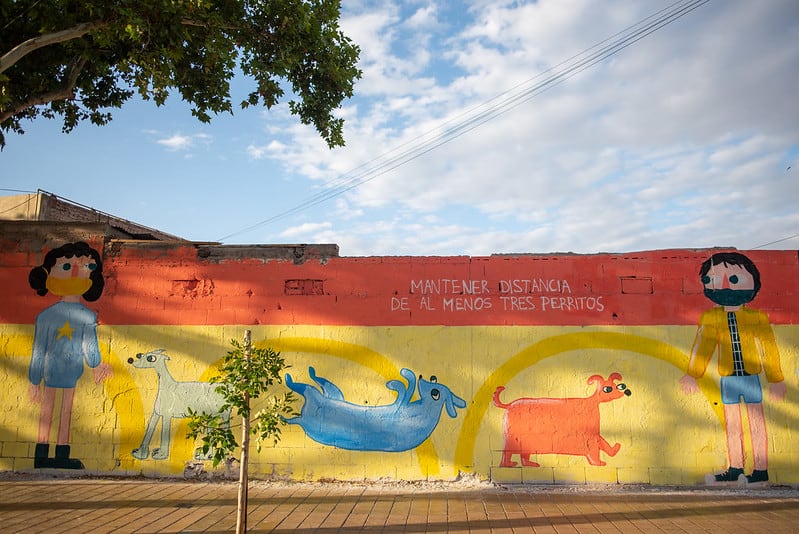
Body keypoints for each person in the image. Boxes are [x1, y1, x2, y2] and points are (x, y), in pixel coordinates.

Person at [680, 252, 785, 485]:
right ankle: (735, 468)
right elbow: (703, 346)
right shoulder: (710, 318)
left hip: (751, 377)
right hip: (728, 378)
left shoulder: (757, 318)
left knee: (756, 424)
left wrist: (776, 379)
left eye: (734, 279)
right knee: (733, 426)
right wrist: (693, 374)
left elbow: (769, 348)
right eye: (713, 281)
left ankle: (760, 471)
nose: (725, 286)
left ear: (753, 283)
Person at [28, 242, 112, 469]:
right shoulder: (46, 316)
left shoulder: (86, 316)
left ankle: (61, 452)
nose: (75, 271)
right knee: (48, 410)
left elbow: (90, 345)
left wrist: (97, 365)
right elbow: (39, 349)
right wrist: (34, 380)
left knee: (65, 410)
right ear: (48, 276)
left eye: (84, 267)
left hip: (73, 371)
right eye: (66, 267)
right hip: (50, 369)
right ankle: (42, 452)